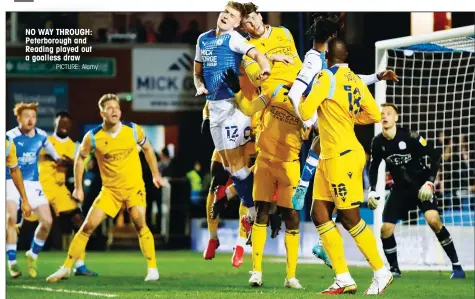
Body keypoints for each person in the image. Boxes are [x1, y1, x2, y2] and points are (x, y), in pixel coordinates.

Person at [288, 13, 399, 266]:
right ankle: (342, 271)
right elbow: (301, 92)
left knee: (345, 216)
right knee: (324, 212)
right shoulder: (314, 62)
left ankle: (379, 271)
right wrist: (311, 122)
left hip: (335, 141)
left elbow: (340, 83)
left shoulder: (327, 69)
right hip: (331, 132)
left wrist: (375, 78)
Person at [46, 94, 166, 283]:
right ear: (102, 112)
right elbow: (79, 160)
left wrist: (155, 175)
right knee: (87, 227)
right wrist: (78, 188)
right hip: (110, 191)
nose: (114, 111)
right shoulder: (93, 137)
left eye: (116, 107)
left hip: (134, 188)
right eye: (109, 108)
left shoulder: (133, 130)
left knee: (140, 223)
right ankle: (66, 268)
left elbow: (148, 149)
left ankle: (152, 269)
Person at [368, 103, 465, 279]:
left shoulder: (410, 136)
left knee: (433, 220)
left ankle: (457, 266)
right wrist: (372, 190)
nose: (384, 116)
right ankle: (394, 270)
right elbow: (374, 167)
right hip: (400, 190)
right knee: (385, 229)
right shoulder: (377, 142)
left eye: (389, 113)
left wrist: (429, 182)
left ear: (396, 118)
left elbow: (434, 155)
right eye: (382, 114)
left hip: (421, 187)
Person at [194, 1, 271, 222]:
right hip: (214, 110)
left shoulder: (234, 39)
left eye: (232, 15)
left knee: (236, 166)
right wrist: (199, 86)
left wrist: (266, 67)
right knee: (231, 167)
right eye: (225, 11)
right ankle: (255, 206)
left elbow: (256, 54)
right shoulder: (203, 39)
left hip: (232, 108)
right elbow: (197, 72)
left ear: (238, 23)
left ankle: (256, 211)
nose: (226, 16)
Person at [6, 102, 64, 278]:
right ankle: (12, 262)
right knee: (10, 219)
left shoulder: (41, 136)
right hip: (10, 180)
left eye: (33, 116)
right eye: (26, 116)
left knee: (47, 221)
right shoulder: (10, 137)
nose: (30, 119)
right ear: (18, 118)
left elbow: (53, 153)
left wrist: (58, 159)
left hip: (33, 183)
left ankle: (33, 254)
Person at [38, 111, 97, 276]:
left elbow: (82, 169)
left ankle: (79, 265)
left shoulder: (75, 147)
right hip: (38, 189)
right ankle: (11, 258)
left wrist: (70, 163)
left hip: (59, 190)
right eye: (60, 122)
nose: (64, 126)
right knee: (21, 224)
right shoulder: (44, 141)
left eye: (67, 123)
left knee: (78, 222)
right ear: (54, 123)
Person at [6, 134, 32, 278]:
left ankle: (12, 262)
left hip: (7, 182)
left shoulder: (7, 143)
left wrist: (25, 200)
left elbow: (14, 170)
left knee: (11, 218)